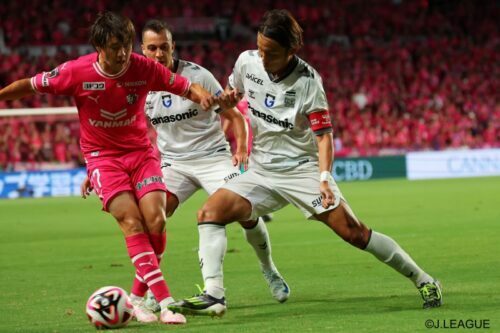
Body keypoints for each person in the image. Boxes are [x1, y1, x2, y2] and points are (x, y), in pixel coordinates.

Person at [168, 9, 443, 317]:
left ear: (291, 50)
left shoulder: (309, 83)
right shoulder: (247, 61)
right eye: (260, 48)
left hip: (301, 170)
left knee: (354, 232)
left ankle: (423, 279)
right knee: (209, 212)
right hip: (261, 170)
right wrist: (229, 99)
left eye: (270, 53)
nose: (262, 56)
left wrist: (324, 177)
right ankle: (214, 295)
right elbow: (236, 93)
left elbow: (323, 137)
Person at [0, 11, 218, 325]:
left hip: (141, 153)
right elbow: (31, 85)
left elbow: (184, 86)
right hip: (103, 158)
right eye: (115, 47)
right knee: (132, 221)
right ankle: (165, 301)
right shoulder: (75, 72)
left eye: (126, 45)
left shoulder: (144, 67)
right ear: (99, 48)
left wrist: (203, 96)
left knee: (155, 220)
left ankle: (137, 299)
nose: (123, 53)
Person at [82, 19, 290, 317]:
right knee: (153, 219)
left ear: (172, 47)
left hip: (213, 158)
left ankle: (269, 269)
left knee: (245, 215)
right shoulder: (138, 78)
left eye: (164, 47)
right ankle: (151, 294)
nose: (158, 54)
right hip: (174, 165)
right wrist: (96, 167)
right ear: (142, 49)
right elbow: (118, 130)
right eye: (151, 48)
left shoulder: (198, 77)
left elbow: (234, 117)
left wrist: (242, 148)